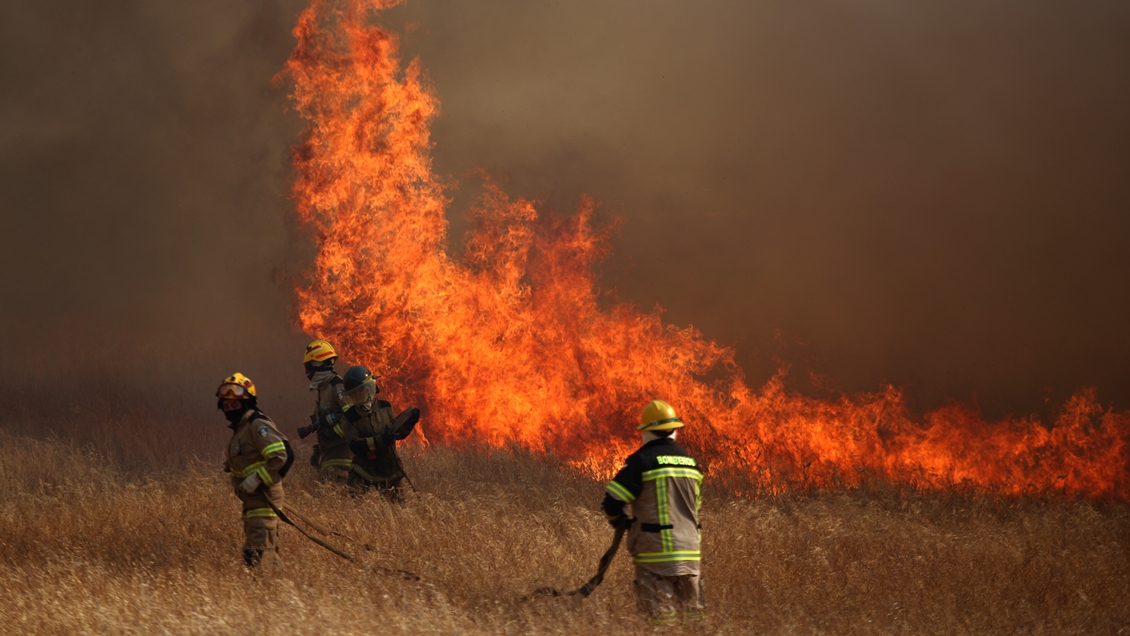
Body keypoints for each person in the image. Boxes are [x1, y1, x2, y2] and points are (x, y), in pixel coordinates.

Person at [602, 399, 705, 626]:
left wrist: (621, 522)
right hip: (690, 552)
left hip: (655, 555)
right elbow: (694, 509)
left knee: (659, 621)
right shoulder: (691, 464)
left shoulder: (642, 461)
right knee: (692, 619)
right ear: (674, 431)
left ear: (646, 432)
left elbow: (611, 501)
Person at [217, 373, 293, 568]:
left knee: (259, 554)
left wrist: (257, 478)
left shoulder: (257, 425)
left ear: (247, 403)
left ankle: (265, 590)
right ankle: (272, 590)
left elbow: (280, 457)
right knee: (259, 552)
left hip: (264, 499)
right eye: (227, 405)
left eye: (235, 405)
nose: (230, 409)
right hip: (252, 500)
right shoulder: (241, 429)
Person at [338, 365, 418, 500]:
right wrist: (381, 440)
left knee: (399, 508)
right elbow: (355, 445)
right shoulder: (348, 417)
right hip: (364, 468)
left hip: (389, 465)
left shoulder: (385, 407)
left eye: (360, 391)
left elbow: (397, 434)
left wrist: (410, 423)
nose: (358, 395)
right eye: (353, 394)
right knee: (351, 503)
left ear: (369, 388)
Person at [299, 339, 351, 481]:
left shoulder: (337, 386)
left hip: (343, 454)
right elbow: (320, 423)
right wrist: (317, 448)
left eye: (308, 367)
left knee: (338, 494)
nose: (307, 372)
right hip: (328, 453)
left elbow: (352, 418)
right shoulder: (323, 389)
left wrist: (333, 431)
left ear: (318, 364)